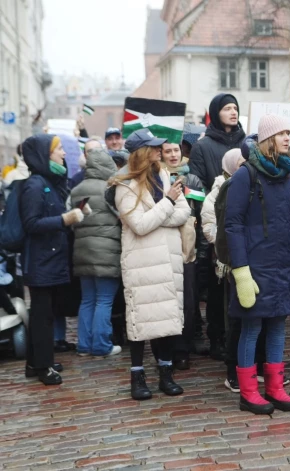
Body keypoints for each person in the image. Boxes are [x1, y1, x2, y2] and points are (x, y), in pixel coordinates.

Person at [225, 114, 290, 415]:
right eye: (281, 133)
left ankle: (275, 387)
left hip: (282, 263)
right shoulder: (245, 175)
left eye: (289, 132)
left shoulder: (288, 176)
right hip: (254, 265)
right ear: (267, 139)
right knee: (251, 329)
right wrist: (241, 272)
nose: (288, 137)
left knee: (278, 327)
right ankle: (248, 392)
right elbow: (233, 225)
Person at [111, 129, 190, 400]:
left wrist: (163, 210)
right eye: (155, 147)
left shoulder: (165, 175)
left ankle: (166, 375)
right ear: (142, 153)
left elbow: (185, 211)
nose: (160, 150)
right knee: (140, 321)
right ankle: (137, 376)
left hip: (168, 259)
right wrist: (167, 203)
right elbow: (140, 225)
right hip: (143, 261)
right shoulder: (125, 186)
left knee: (166, 319)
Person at [20, 134, 88, 385]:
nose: (62, 153)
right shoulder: (35, 185)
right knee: (42, 316)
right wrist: (64, 220)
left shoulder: (48, 181)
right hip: (40, 262)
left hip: (49, 259)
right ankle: (43, 367)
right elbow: (31, 223)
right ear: (44, 155)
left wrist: (76, 213)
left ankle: (34, 362)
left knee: (43, 314)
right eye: (58, 149)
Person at [70, 148, 122, 357]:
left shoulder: (76, 190)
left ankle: (83, 345)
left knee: (87, 300)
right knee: (104, 300)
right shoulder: (110, 189)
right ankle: (101, 345)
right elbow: (122, 216)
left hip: (82, 252)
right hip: (107, 253)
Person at [201, 148, 245, 391]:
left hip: (248, 259)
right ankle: (232, 370)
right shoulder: (216, 193)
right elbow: (210, 229)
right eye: (239, 162)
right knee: (233, 317)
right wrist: (230, 242)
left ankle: (251, 365)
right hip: (227, 263)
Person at [161, 142, 207, 369]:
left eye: (176, 151)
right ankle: (165, 351)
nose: (172, 155)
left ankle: (182, 350)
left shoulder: (194, 181)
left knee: (187, 304)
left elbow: (200, 217)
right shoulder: (154, 178)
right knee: (166, 303)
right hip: (162, 249)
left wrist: (202, 250)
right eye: (167, 151)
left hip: (187, 251)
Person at [189, 93, 245, 192]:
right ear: (216, 113)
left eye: (235, 108)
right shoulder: (201, 147)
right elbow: (196, 186)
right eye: (227, 109)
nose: (234, 112)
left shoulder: (246, 143)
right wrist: (213, 204)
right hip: (213, 205)